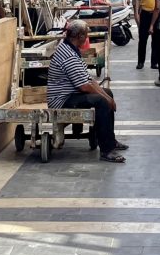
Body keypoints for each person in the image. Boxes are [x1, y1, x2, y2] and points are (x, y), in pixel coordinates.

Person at [47, 20, 128, 163]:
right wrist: (106, 100)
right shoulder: (68, 55)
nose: (87, 38)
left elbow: (89, 80)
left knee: (107, 93)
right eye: (86, 35)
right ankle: (106, 150)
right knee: (102, 102)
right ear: (79, 36)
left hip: (72, 94)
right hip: (63, 99)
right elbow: (84, 86)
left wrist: (107, 97)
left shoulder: (72, 49)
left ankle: (110, 139)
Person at [134, 0, 160, 70]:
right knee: (143, 39)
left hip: (157, 15)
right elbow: (137, 0)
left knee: (156, 40)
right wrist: (136, 13)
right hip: (145, 14)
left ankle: (154, 62)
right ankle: (141, 62)